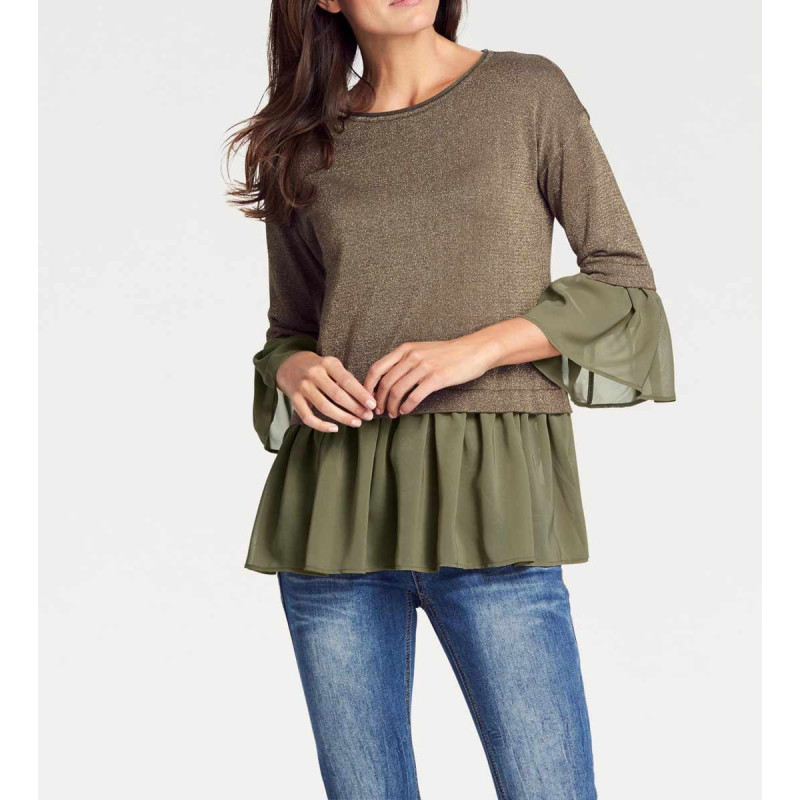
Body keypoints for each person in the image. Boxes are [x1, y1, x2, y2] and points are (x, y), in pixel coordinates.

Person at [227, 1, 675, 797]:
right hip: (337, 507)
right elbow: (290, 329)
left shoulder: (526, 92)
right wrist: (292, 371)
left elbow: (621, 280)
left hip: (491, 500)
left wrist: (478, 348)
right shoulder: (302, 144)